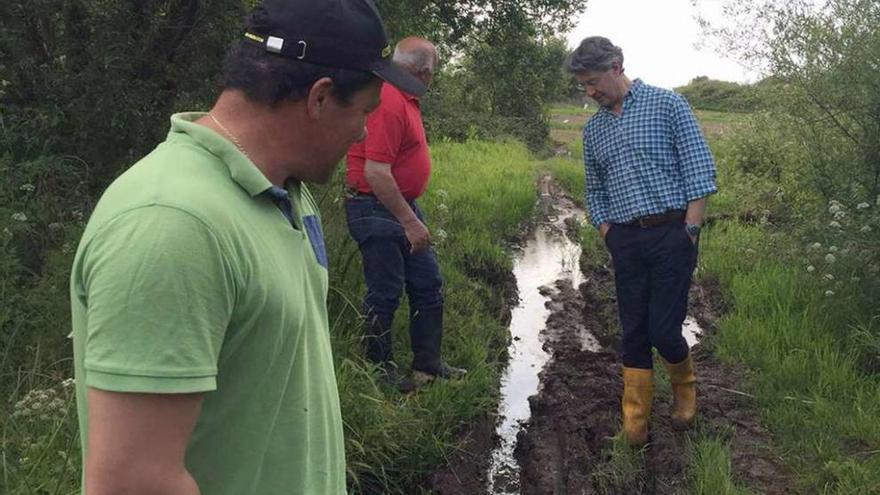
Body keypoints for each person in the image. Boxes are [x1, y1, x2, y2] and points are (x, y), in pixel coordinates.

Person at [68, 1, 427, 494]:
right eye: (364, 111)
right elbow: (133, 481)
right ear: (319, 98)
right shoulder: (172, 226)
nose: (364, 131)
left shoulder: (284, 189)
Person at [567, 36, 718, 446]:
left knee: (664, 329)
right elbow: (595, 191)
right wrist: (608, 232)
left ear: (616, 66)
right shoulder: (594, 130)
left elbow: (700, 170)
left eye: (594, 81)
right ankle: (635, 424)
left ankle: (685, 390)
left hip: (673, 233)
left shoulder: (668, 105)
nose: (590, 91)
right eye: (583, 85)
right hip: (626, 240)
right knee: (633, 330)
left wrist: (690, 229)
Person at [345, 37, 465, 392]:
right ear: (423, 72)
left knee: (428, 286)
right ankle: (378, 374)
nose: (431, 79)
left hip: (399, 204)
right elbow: (375, 172)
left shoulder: (405, 98)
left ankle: (428, 364)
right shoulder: (389, 101)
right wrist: (410, 221)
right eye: (432, 72)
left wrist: (410, 214)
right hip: (375, 206)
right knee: (385, 294)